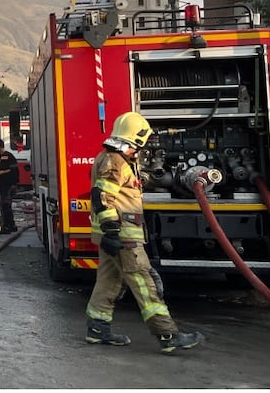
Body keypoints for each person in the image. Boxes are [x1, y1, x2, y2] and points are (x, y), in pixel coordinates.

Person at [84, 111, 204, 353]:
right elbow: (103, 197)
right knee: (143, 282)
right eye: (142, 142)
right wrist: (112, 231)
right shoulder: (116, 161)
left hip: (114, 235)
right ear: (135, 139)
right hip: (123, 235)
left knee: (108, 282)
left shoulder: (111, 158)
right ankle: (167, 335)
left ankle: (97, 329)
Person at [0, 138, 19, 233]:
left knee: (5, 206)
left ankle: (7, 226)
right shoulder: (4, 156)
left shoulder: (6, 157)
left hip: (7, 185)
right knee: (6, 206)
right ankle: (10, 225)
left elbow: (12, 171)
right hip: (6, 185)